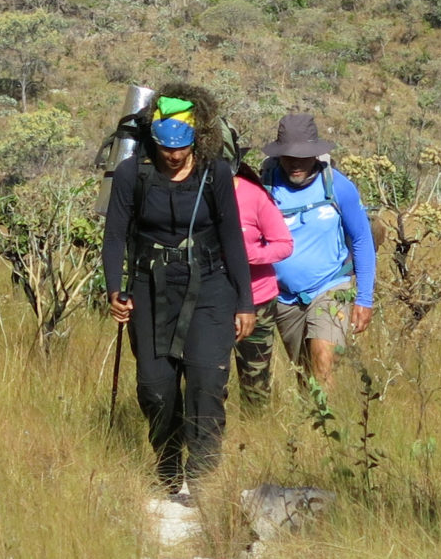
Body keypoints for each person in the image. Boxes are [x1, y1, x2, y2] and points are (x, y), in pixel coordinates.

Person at [100, 83, 257, 495]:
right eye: (165, 147)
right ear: (152, 139)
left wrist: (245, 301)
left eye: (181, 147)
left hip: (211, 287)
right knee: (155, 387)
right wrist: (114, 289)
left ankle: (204, 475)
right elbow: (115, 235)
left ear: (197, 140)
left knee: (207, 381)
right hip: (148, 287)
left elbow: (231, 238)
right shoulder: (133, 174)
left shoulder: (216, 172)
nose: (173, 155)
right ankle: (167, 462)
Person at [257, 112, 375, 382]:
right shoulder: (266, 187)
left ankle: (327, 422)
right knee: (304, 374)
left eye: (302, 157)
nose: (295, 165)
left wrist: (364, 298)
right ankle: (310, 423)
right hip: (284, 298)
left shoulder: (338, 187)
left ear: (314, 154)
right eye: (288, 157)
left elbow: (362, 240)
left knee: (323, 363)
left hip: (330, 286)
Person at [232, 145, 295, 404]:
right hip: (211, 299)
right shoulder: (195, 194)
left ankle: (255, 431)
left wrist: (249, 255)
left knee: (255, 383)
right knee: (209, 379)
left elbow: (283, 243)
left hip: (258, 299)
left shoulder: (254, 195)